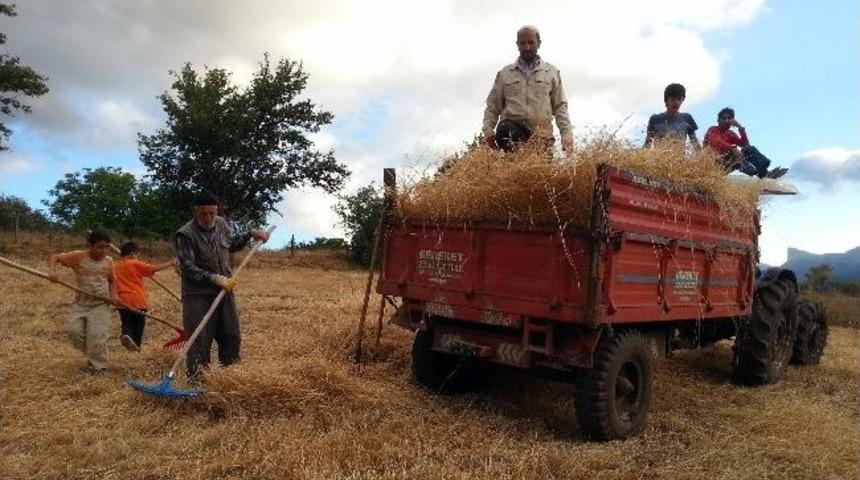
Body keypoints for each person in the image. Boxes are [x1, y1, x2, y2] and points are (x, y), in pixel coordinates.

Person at [174, 192, 269, 378]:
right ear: (195, 211)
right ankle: (198, 381)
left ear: (216, 210)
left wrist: (251, 234)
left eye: (212, 212)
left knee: (231, 335)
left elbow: (232, 244)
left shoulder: (222, 224)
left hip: (224, 291)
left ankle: (230, 378)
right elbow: (188, 268)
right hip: (198, 295)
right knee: (199, 340)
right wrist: (214, 278)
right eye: (204, 213)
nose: (208, 217)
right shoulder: (185, 234)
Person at [482, 25, 573, 153]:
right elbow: (493, 105)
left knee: (540, 166)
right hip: (513, 133)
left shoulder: (551, 72)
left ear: (539, 43)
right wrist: (488, 132)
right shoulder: (505, 74)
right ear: (517, 45)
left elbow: (560, 107)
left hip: (542, 138)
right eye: (523, 43)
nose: (527, 47)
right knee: (504, 128)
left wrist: (567, 135)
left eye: (531, 42)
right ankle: (517, 158)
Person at [48, 229, 117, 375]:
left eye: (107, 247)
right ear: (90, 246)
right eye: (100, 247)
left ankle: (99, 367)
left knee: (97, 336)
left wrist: (113, 296)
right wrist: (53, 272)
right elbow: (55, 257)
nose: (104, 251)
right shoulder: (79, 256)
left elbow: (112, 280)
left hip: (101, 304)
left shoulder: (109, 261)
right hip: (81, 304)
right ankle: (94, 353)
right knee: (74, 332)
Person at [113, 241, 176, 351]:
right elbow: (153, 268)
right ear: (132, 254)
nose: (137, 257)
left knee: (127, 322)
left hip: (122, 301)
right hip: (137, 300)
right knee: (138, 325)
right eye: (137, 255)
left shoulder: (116, 266)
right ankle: (136, 346)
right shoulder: (134, 263)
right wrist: (171, 263)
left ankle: (126, 334)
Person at [703, 107, 788, 179]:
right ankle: (757, 172)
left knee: (749, 149)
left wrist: (740, 128)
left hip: (726, 164)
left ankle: (764, 174)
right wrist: (732, 148)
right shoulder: (713, 129)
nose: (726, 121)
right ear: (718, 120)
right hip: (712, 165)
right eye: (724, 118)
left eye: (729, 118)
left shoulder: (730, 134)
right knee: (733, 155)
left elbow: (745, 144)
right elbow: (715, 141)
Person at [644, 83, 700, 150]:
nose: (676, 102)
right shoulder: (655, 119)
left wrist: (704, 155)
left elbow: (695, 143)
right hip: (659, 156)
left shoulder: (687, 118)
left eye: (679, 99)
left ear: (682, 100)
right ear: (666, 100)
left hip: (679, 157)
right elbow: (647, 144)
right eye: (672, 99)